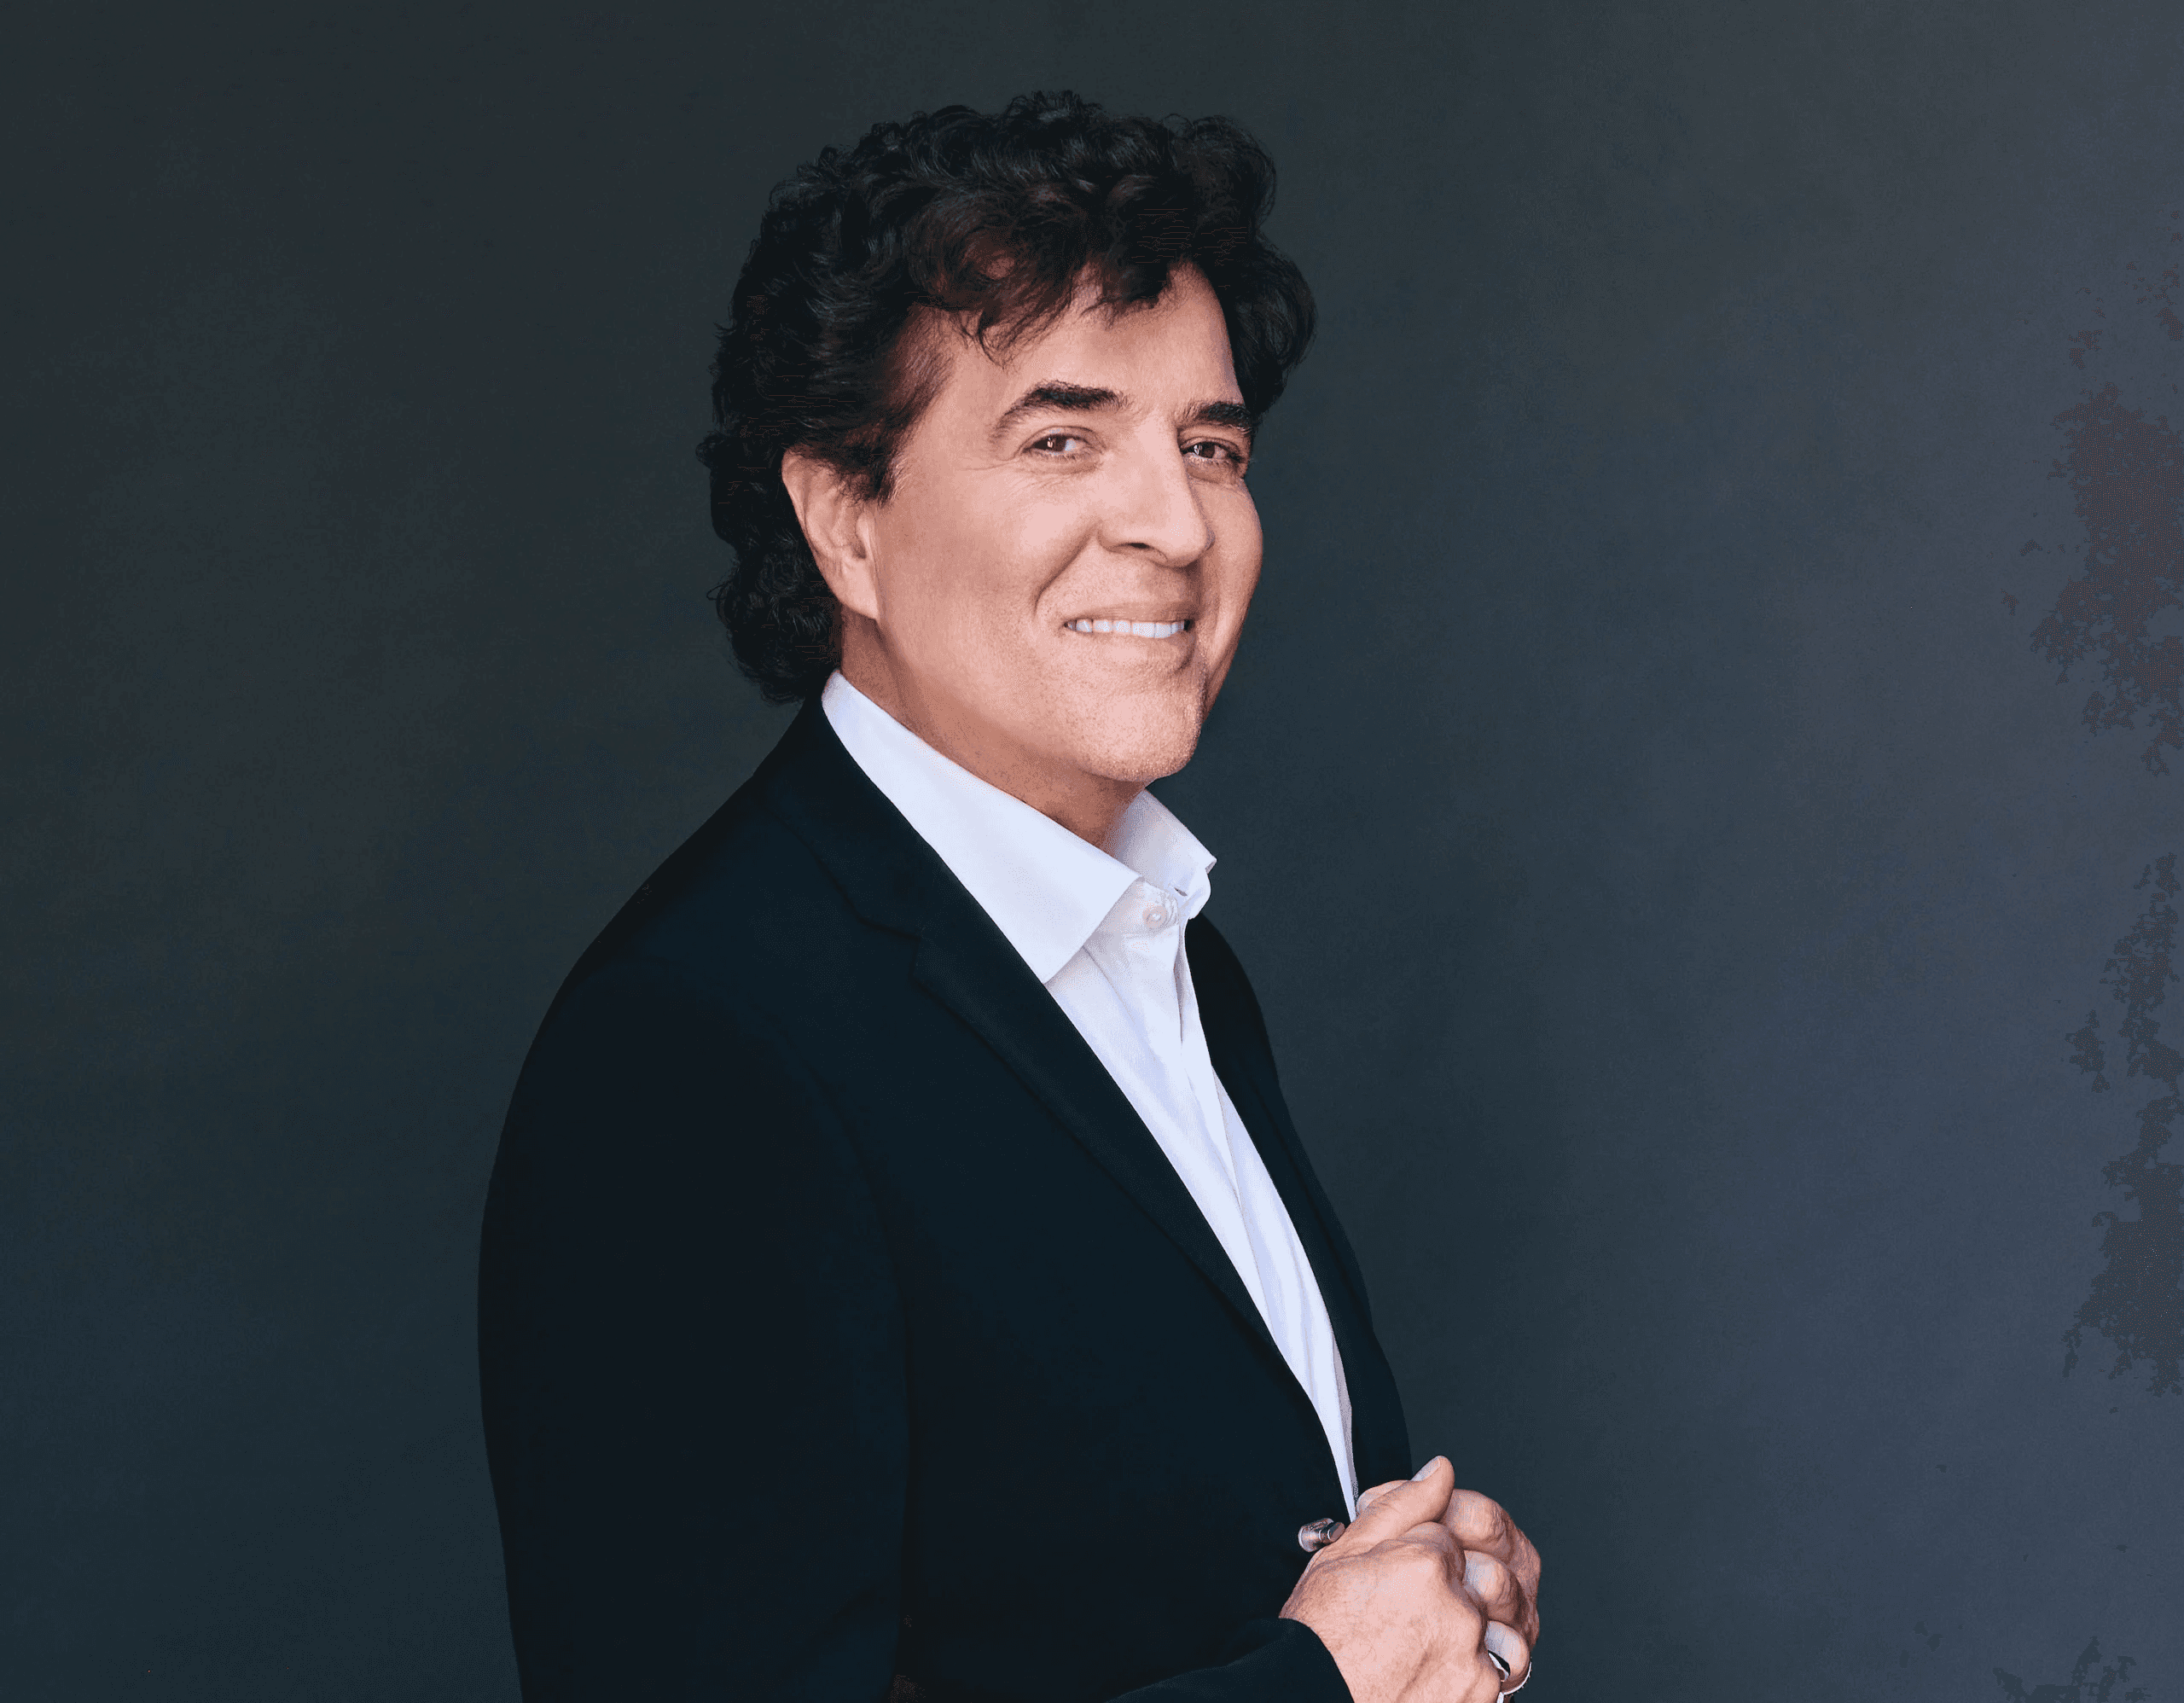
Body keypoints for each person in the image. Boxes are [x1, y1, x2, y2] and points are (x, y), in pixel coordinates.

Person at [477, 90, 1541, 1703]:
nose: (1175, 524)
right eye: (1063, 438)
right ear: (847, 522)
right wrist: (1328, 1683)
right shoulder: (698, 1053)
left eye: (1211, 447)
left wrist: (1433, 1604)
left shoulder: (1166, 946)